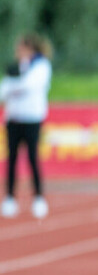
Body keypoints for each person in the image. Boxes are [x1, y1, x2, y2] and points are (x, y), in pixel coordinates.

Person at [0, 33, 53, 219]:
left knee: (32, 158)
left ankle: (38, 198)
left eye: (20, 47)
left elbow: (30, 85)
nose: (17, 51)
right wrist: (15, 86)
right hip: (13, 119)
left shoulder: (41, 66)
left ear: (29, 48)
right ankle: (9, 198)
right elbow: (3, 90)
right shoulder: (14, 67)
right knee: (12, 159)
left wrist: (14, 86)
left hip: (32, 119)